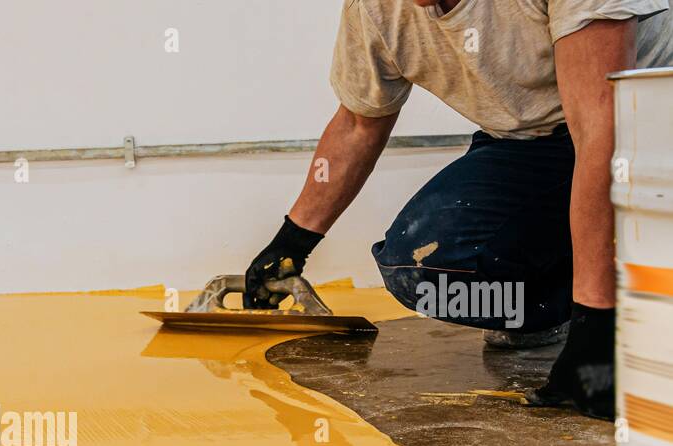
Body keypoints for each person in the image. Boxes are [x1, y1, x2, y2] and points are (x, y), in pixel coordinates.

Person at [237, 0, 673, 420]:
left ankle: (607, 309)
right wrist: (291, 244)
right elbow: (357, 124)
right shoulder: (375, 9)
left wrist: (596, 329)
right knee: (425, 268)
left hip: (649, 128)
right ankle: (555, 309)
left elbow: (603, 132)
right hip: (531, 143)